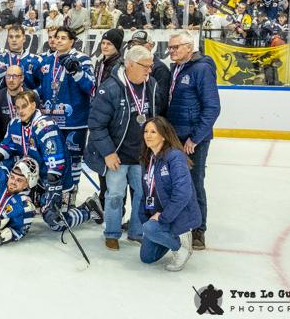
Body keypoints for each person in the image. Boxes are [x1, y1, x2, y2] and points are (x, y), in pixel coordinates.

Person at [86, 46, 162, 250]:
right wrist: (108, 153)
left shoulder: (152, 86)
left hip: (142, 155)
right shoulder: (110, 88)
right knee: (114, 195)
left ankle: (136, 232)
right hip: (116, 155)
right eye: (145, 66)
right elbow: (96, 124)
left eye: (150, 65)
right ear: (129, 64)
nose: (149, 70)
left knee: (142, 194)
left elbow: (157, 119)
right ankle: (111, 233)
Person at [167, 30, 221, 250]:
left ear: (189, 47)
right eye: (170, 47)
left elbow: (212, 107)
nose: (171, 51)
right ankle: (180, 223)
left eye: (175, 47)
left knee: (194, 183)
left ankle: (199, 230)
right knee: (175, 182)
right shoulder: (177, 68)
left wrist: (195, 138)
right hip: (174, 136)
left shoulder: (202, 69)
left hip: (192, 140)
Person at [0, 90, 69, 213]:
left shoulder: (45, 126)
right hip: (35, 177)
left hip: (56, 179)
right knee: (2, 169)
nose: (20, 111)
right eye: (17, 107)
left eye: (24, 106)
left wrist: (54, 187)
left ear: (33, 105)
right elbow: (7, 147)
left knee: (53, 218)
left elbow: (56, 162)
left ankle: (88, 210)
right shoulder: (14, 124)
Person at [33, 27, 94, 190]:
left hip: (74, 122)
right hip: (50, 121)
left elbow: (91, 87)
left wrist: (76, 71)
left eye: (62, 38)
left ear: (72, 41)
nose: (58, 40)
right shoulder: (45, 61)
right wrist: (29, 95)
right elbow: (44, 88)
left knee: (74, 161)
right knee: (51, 159)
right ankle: (53, 195)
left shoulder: (83, 59)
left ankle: (71, 195)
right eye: (56, 37)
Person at [139, 117, 200, 271]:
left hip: (177, 216)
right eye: (146, 131)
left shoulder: (175, 156)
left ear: (164, 135)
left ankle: (181, 246)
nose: (148, 135)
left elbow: (183, 193)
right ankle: (168, 237)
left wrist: (163, 217)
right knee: (147, 258)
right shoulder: (148, 159)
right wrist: (144, 217)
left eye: (153, 132)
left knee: (151, 229)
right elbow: (146, 191)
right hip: (160, 215)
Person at [0, 65, 34, 152]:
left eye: (14, 76)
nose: (11, 80)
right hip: (6, 144)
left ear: (22, 78)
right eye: (8, 76)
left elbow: (35, 124)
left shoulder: (31, 96)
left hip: (28, 144)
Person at [128, 30, 170, 106]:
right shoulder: (129, 65)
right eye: (133, 44)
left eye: (140, 44)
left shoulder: (160, 69)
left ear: (151, 46)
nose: (136, 47)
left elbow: (161, 100)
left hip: (150, 115)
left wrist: (149, 113)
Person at [92, 28, 124, 97]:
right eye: (103, 43)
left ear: (116, 46)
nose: (105, 46)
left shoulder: (119, 65)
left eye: (109, 44)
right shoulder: (101, 62)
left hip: (109, 104)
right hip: (99, 101)